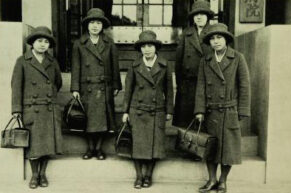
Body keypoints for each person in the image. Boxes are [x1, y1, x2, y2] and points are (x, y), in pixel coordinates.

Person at [194, 23, 251, 193]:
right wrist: (199, 110)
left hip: (229, 111)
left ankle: (223, 181)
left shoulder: (238, 58)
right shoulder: (205, 60)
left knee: (228, 150)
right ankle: (211, 180)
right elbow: (201, 86)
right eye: (212, 39)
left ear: (226, 39)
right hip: (210, 112)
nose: (215, 41)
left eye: (219, 37)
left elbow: (244, 86)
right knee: (210, 148)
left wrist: (242, 110)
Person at [11, 26, 63, 189]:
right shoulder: (22, 61)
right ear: (32, 43)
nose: (42, 44)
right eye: (39, 41)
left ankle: (42, 174)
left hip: (48, 108)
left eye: (46, 41)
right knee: (34, 145)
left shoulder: (52, 62)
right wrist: (17, 110)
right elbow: (16, 86)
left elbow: (58, 82)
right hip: (31, 109)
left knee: (47, 144)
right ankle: (34, 175)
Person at [122, 30, 174, 189]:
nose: (147, 49)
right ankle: (138, 176)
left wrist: (169, 111)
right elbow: (128, 90)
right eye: (143, 46)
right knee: (137, 145)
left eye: (150, 45)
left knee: (154, 146)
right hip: (137, 110)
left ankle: (148, 176)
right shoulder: (135, 65)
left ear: (156, 47)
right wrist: (125, 111)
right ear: (140, 49)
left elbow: (169, 91)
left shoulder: (165, 65)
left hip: (157, 110)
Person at [71, 8, 122, 160]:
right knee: (87, 119)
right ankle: (90, 148)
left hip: (104, 87)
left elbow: (114, 66)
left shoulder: (109, 43)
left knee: (103, 120)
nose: (95, 26)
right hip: (86, 87)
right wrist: (75, 88)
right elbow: (76, 67)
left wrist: (116, 85)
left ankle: (99, 148)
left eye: (98, 23)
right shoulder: (79, 44)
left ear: (102, 26)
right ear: (87, 25)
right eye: (92, 22)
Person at [173, 0, 215, 128]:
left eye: (202, 14)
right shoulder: (187, 33)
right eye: (196, 14)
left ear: (208, 16)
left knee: (206, 121)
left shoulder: (215, 33)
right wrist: (180, 84)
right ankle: (187, 147)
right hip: (188, 84)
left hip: (209, 83)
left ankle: (204, 146)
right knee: (187, 121)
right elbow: (179, 61)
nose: (199, 17)